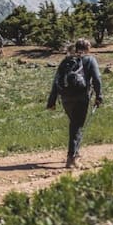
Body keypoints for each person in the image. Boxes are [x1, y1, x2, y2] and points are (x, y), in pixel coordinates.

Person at [46, 39, 103, 168]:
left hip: (65, 98)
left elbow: (56, 80)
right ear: (88, 48)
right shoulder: (89, 60)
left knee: (75, 124)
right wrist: (99, 96)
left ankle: (75, 153)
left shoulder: (66, 60)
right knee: (77, 126)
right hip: (81, 97)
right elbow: (97, 78)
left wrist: (52, 101)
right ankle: (71, 158)